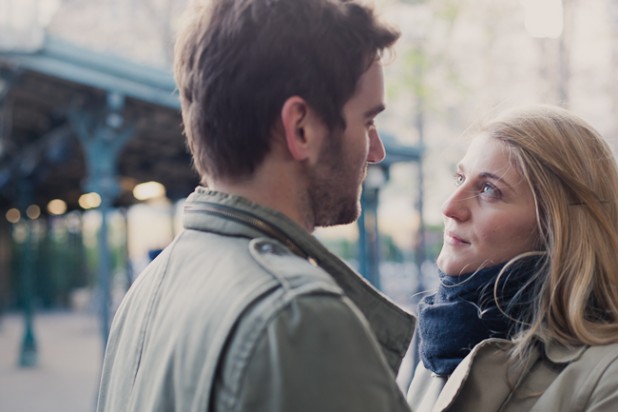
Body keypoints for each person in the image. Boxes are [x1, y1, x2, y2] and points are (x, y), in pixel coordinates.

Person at [96, 0, 415, 411]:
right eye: (367, 122)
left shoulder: (149, 289)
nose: (377, 151)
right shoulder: (299, 317)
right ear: (300, 128)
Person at [407, 104, 618, 411]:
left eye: (489, 190)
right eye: (459, 178)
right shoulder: (442, 346)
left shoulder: (607, 377)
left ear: (556, 227)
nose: (449, 207)